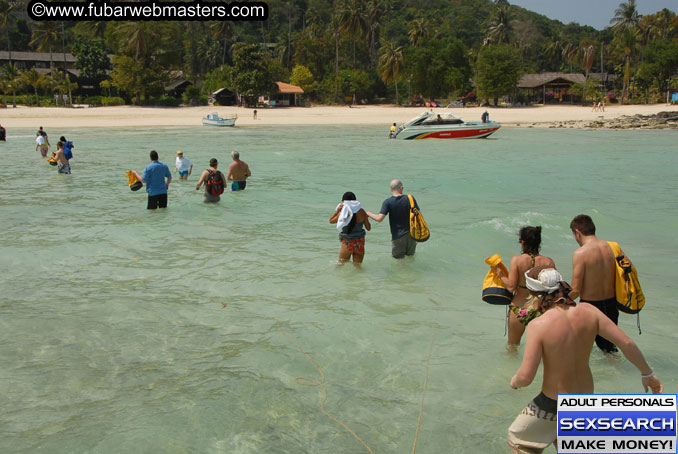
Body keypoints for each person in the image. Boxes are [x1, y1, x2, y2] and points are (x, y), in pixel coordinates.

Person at [507, 266, 663, 454]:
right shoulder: (589, 311)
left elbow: (526, 377)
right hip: (584, 400)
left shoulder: (538, 325)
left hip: (553, 404)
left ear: (535, 294)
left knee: (518, 441)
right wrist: (648, 373)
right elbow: (626, 343)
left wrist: (514, 382)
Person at [569, 214, 628, 353]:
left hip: (590, 308)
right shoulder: (613, 247)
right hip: (612, 305)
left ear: (578, 233)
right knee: (610, 351)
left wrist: (557, 302)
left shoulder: (580, 253)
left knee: (581, 351)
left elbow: (576, 290)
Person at [492, 226, 555, 351]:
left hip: (519, 308)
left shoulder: (517, 260)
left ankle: (510, 370)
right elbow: (554, 286)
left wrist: (499, 273)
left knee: (512, 347)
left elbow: (510, 287)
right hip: (540, 309)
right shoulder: (548, 262)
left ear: (523, 242)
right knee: (543, 349)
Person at [366, 179, 420, 259]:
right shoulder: (410, 199)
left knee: (399, 261)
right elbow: (418, 214)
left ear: (390, 189)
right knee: (410, 258)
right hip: (412, 235)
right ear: (401, 188)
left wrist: (368, 213)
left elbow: (379, 218)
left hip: (398, 236)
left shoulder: (388, 202)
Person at [329, 192, 371, 265]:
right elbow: (368, 228)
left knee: (341, 265)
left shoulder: (343, 212)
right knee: (358, 267)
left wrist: (338, 210)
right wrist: (365, 217)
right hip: (359, 243)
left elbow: (331, 221)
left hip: (347, 243)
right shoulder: (362, 212)